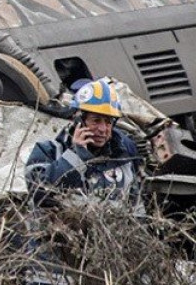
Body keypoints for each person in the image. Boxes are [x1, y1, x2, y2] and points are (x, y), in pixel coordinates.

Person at [25, 79, 142, 209]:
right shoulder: (48, 151)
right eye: (96, 120)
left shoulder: (123, 157)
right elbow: (39, 193)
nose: (103, 129)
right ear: (78, 121)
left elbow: (136, 207)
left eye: (108, 122)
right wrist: (76, 157)